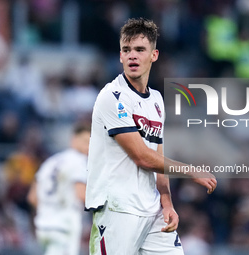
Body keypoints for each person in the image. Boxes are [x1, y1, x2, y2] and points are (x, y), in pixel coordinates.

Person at [85, 18, 217, 255]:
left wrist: (167, 203)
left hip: (152, 209)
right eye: (126, 50)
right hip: (118, 209)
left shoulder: (156, 99)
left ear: (154, 55)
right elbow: (142, 157)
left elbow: (158, 156)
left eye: (139, 50)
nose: (132, 56)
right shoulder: (113, 97)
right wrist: (191, 170)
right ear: (120, 56)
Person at [27, 123, 90, 255]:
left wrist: (48, 211)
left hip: (43, 226)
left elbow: (32, 197)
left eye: (90, 142)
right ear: (73, 139)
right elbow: (81, 194)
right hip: (64, 226)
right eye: (85, 141)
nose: (88, 146)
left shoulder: (50, 161)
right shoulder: (79, 161)